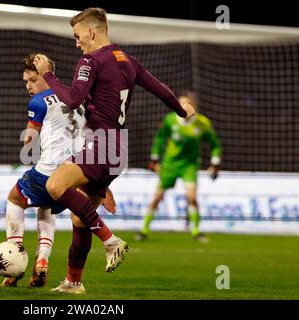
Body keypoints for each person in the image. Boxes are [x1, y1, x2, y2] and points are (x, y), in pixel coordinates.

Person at [33, 7, 195, 294]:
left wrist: (48, 76)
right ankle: (73, 282)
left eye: (78, 35)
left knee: (55, 185)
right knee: (79, 217)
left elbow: (72, 99)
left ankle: (110, 240)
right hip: (118, 150)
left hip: (100, 144)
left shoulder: (91, 60)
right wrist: (182, 110)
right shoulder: (128, 61)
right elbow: (161, 90)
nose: (77, 42)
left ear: (92, 32)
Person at [1, 53, 86, 288]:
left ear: (48, 75)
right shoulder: (76, 97)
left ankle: (14, 259)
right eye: (26, 81)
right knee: (47, 208)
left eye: (33, 80)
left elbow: (29, 140)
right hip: (73, 175)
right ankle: (42, 262)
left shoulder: (38, 102)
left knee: (15, 199)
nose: (29, 86)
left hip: (47, 172)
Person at [135, 90, 222, 243]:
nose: (181, 106)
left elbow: (215, 144)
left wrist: (215, 162)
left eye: (185, 103)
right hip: (170, 164)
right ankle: (144, 230)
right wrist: (154, 159)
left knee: (192, 198)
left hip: (189, 165)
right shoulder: (170, 120)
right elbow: (160, 139)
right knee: (157, 198)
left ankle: (195, 232)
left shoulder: (202, 124)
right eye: (179, 103)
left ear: (193, 106)